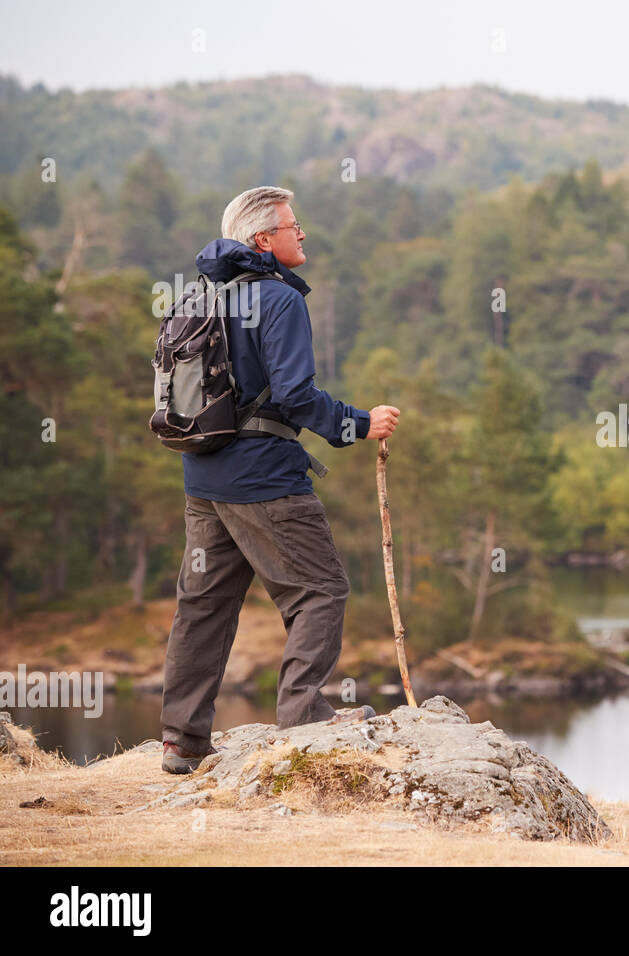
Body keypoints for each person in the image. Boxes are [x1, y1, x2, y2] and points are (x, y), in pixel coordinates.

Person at [159, 186, 400, 774]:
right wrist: (360, 423)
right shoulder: (279, 300)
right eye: (294, 227)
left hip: (203, 478)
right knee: (320, 589)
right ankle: (305, 716)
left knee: (204, 605)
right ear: (263, 240)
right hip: (265, 478)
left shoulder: (197, 293)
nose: (302, 235)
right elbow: (293, 396)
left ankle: (182, 740)